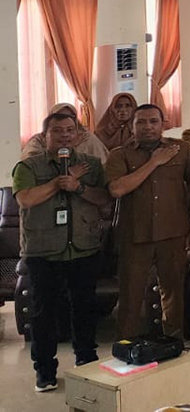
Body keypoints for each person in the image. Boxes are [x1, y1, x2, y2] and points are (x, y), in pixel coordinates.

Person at [16, 112, 111, 392]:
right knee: (44, 312)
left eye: (70, 130)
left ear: (79, 135)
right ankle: (45, 371)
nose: (65, 136)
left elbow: (105, 200)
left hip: (84, 247)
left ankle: (86, 361)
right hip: (43, 252)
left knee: (84, 307)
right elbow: (26, 199)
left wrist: (78, 186)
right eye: (57, 131)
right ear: (45, 136)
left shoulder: (91, 165)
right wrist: (58, 183)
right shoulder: (28, 166)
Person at [106, 104, 190, 339]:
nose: (147, 127)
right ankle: (127, 345)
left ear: (163, 124)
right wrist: (154, 162)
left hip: (173, 232)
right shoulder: (119, 154)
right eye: (141, 122)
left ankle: (173, 341)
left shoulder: (180, 149)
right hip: (135, 236)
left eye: (153, 121)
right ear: (132, 126)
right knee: (131, 295)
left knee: (173, 293)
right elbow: (117, 189)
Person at [21, 103, 110, 161]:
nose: (65, 134)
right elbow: (29, 162)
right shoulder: (39, 139)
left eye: (70, 116)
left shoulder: (87, 138)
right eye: (57, 130)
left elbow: (103, 163)